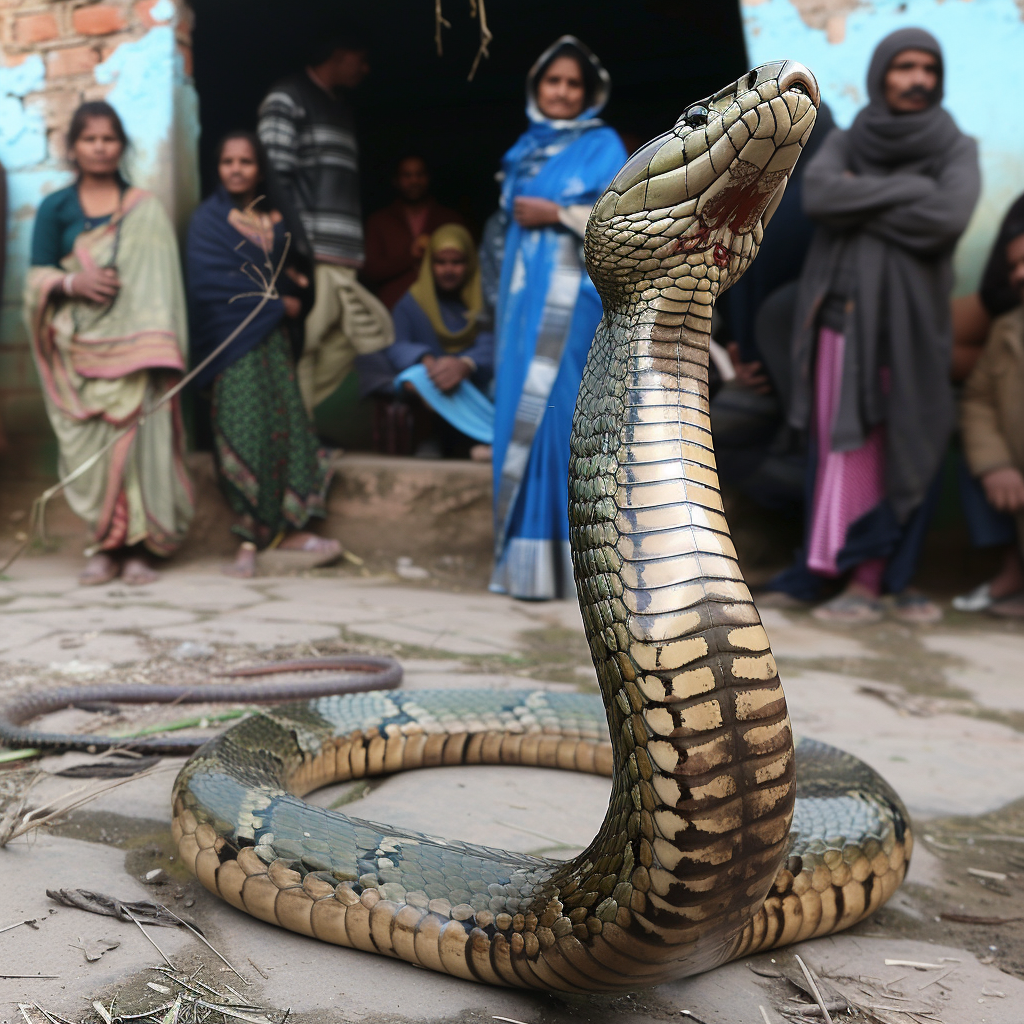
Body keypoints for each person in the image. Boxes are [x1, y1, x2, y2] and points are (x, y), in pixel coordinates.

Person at [766, 28, 980, 624]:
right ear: (882, 72)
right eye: (904, 67)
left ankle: (880, 578)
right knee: (845, 451)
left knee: (905, 442)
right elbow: (821, 196)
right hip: (841, 325)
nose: (918, 79)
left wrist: (870, 200)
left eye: (927, 68)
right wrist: (910, 191)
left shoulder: (954, 146)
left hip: (911, 330)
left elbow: (948, 215)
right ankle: (840, 573)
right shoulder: (853, 138)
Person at [25, 101, 193, 586]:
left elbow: (163, 287)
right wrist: (73, 285)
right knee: (91, 456)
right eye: (89, 138)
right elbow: (35, 276)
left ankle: (140, 550)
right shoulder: (56, 207)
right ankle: (103, 546)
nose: (100, 147)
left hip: (141, 356)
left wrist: (151, 341)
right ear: (73, 147)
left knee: (141, 451)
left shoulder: (144, 209)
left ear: (121, 146)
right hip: (79, 351)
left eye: (109, 138)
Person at [489, 37, 627, 600]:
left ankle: (575, 573)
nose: (563, 92)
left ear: (589, 93)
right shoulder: (523, 148)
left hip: (574, 307)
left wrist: (557, 213)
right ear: (537, 87)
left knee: (559, 417)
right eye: (554, 82)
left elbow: (620, 219)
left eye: (574, 84)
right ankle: (521, 566)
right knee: (520, 411)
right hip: (523, 307)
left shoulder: (604, 145)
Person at [187, 132, 339, 579]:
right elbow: (209, 287)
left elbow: (298, 275)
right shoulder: (209, 222)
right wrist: (278, 304)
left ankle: (290, 531)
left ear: (260, 168)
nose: (236, 169)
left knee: (285, 431)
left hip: (275, 346)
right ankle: (248, 538)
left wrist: (294, 295)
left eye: (246, 162)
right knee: (243, 434)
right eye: (227, 161)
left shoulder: (279, 218)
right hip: (232, 348)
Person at [257, 32, 393, 415]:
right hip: (312, 252)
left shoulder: (341, 107)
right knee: (307, 345)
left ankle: (293, 424)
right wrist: (296, 247)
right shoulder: (287, 97)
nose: (365, 69)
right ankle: (297, 437)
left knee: (350, 341)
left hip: (345, 256)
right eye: (361, 58)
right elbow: (273, 177)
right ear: (339, 51)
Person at [374, 223, 494, 457]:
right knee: (412, 377)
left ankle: (485, 440)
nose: (448, 270)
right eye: (440, 262)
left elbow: (495, 343)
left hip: (476, 386)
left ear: (470, 263)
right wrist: (427, 361)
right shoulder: (411, 303)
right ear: (429, 264)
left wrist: (466, 364)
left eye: (457, 262)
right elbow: (397, 345)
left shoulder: (484, 303)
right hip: (432, 385)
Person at [956, 221, 1024, 617]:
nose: (1018, 275)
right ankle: (1012, 574)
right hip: (1015, 473)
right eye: (1014, 265)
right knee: (973, 457)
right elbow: (978, 399)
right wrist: (996, 463)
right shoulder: (1007, 328)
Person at [362, 156, 465, 309]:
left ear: (428, 178)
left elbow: (468, 266)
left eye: (419, 175)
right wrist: (411, 257)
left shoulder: (449, 220)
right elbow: (369, 271)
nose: (414, 181)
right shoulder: (379, 221)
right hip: (392, 309)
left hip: (443, 310)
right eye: (407, 176)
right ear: (396, 181)